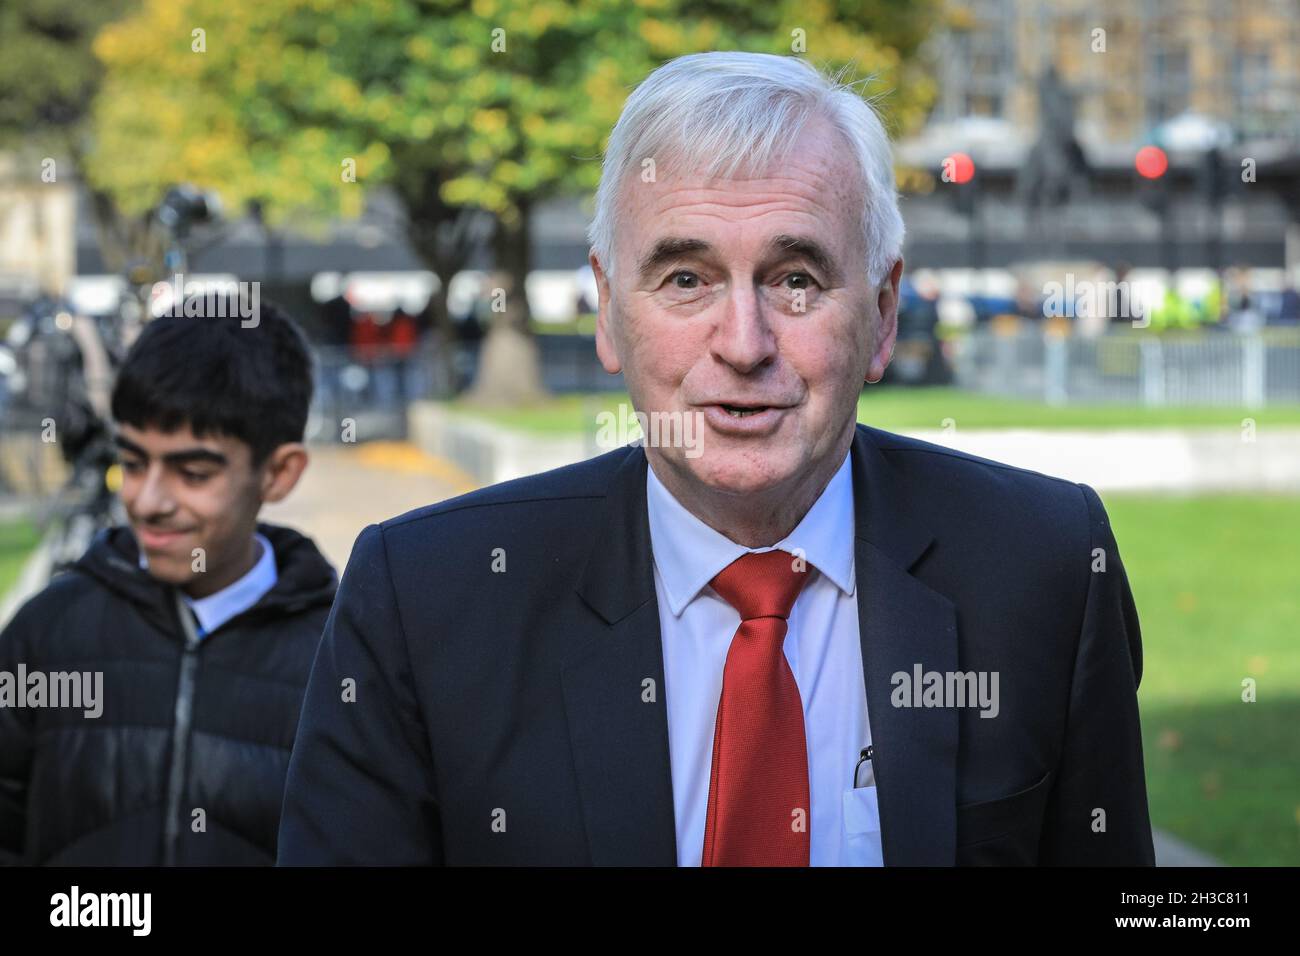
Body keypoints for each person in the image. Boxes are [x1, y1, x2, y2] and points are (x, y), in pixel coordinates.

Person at [278, 52, 1154, 867]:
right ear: (609, 311)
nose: (744, 343)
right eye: (686, 279)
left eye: (797, 280)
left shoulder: (1044, 567)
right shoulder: (425, 599)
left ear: (884, 315)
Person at [0, 295, 337, 865]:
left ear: (279, 473)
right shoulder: (46, 634)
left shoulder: (342, 661)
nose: (148, 501)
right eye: (132, 463)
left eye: (193, 473)